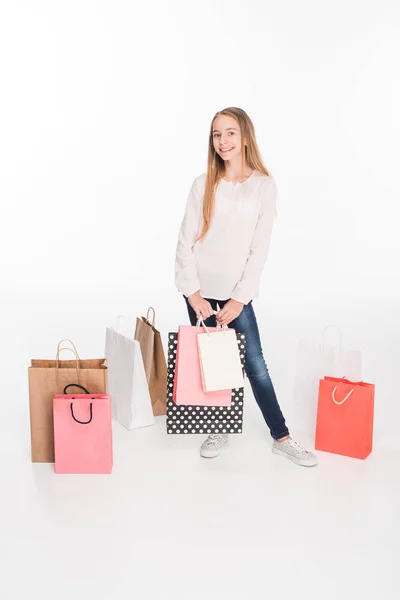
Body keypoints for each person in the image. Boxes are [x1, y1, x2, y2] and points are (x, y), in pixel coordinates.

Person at [174, 106, 317, 467]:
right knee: (212, 363)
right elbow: (185, 241)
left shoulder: (263, 186)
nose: (223, 141)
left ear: (245, 136)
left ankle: (281, 436)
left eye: (230, 133)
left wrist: (240, 299)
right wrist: (193, 293)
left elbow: (259, 249)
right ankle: (218, 426)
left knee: (255, 366)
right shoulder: (202, 184)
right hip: (200, 292)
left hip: (237, 294)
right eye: (216, 134)